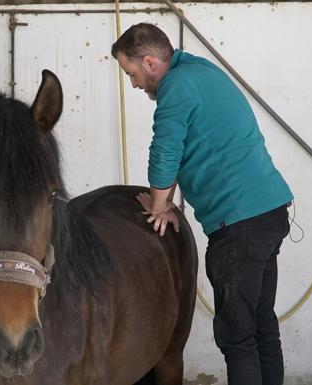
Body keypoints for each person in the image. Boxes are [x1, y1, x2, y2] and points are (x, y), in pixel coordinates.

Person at [111, 23, 293, 385]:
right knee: (261, 325)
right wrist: (164, 200)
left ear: (149, 62)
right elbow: (183, 148)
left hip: (239, 223)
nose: (133, 84)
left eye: (131, 74)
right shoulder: (200, 70)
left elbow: (164, 151)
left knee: (238, 336)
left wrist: (158, 205)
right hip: (269, 213)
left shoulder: (175, 87)